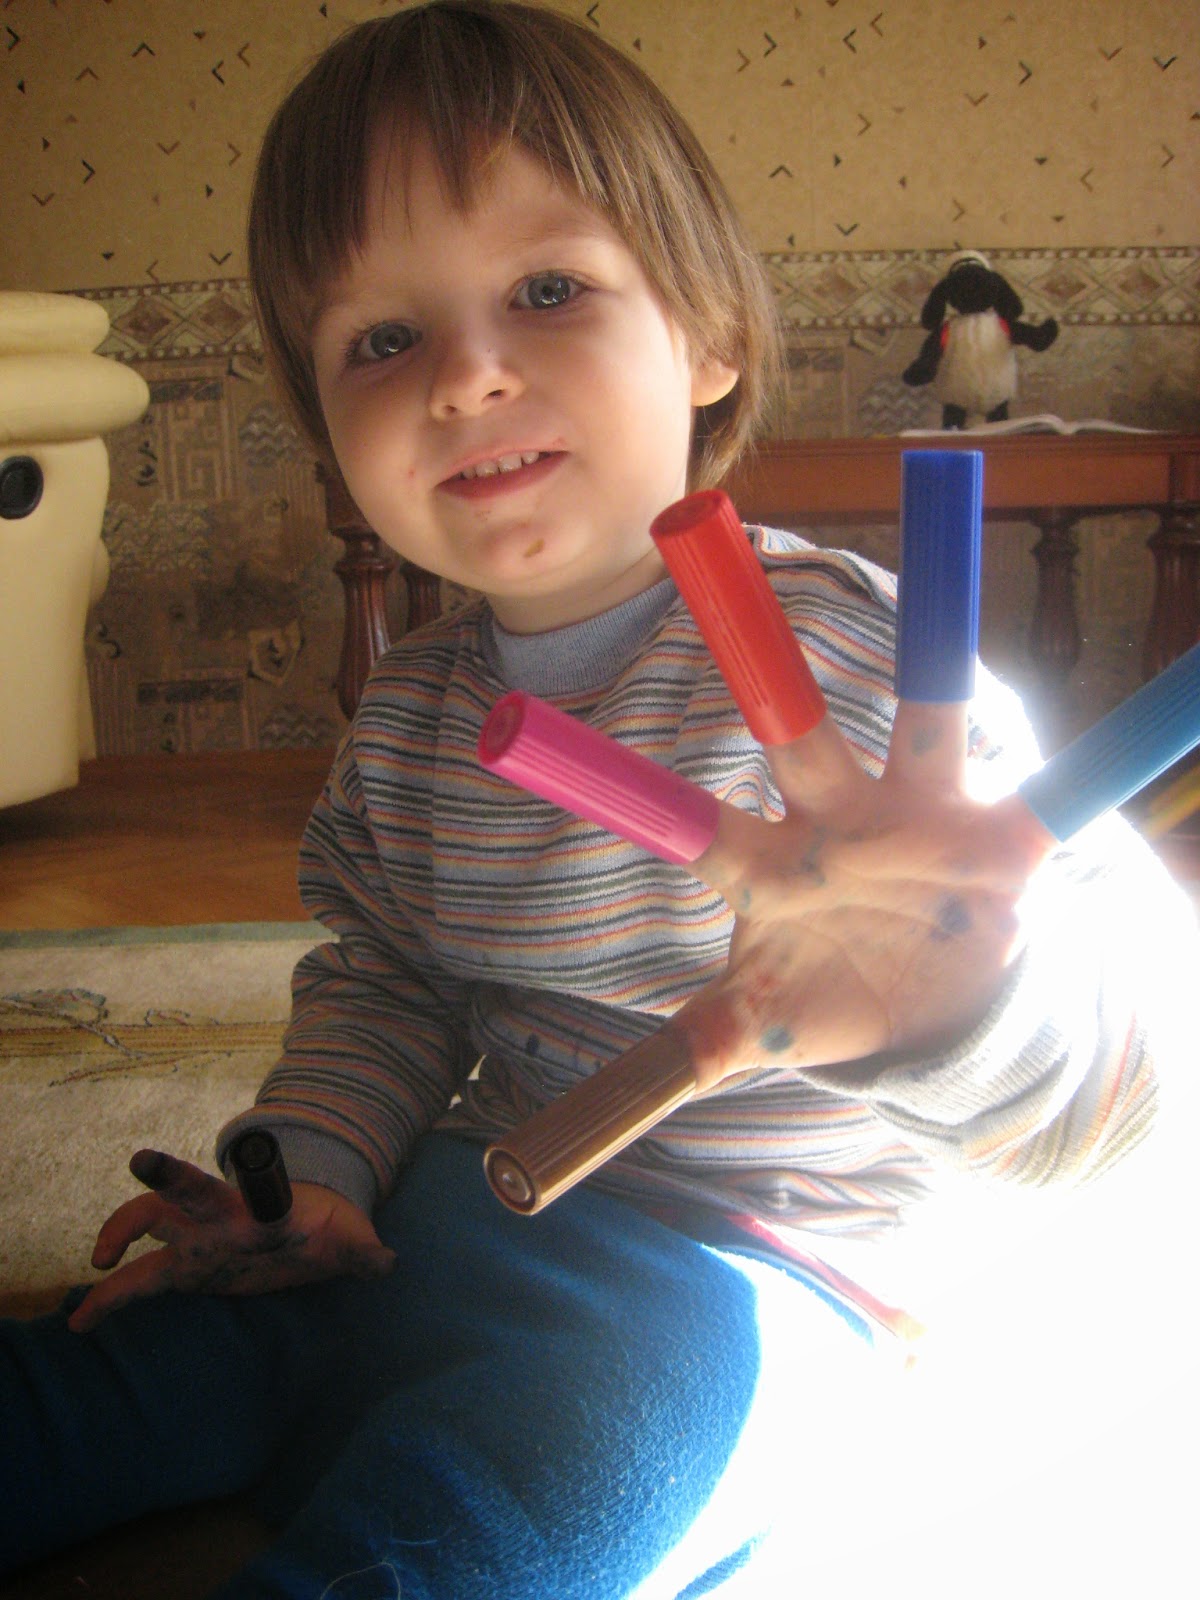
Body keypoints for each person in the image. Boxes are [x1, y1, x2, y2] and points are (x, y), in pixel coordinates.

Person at [2, 4, 1195, 1595]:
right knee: (112, 1373)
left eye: (548, 291)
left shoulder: (872, 682)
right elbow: (388, 981)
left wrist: (961, 1012)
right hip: (462, 1201)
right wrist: (317, 1174)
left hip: (761, 1270)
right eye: (381, 340)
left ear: (708, 339)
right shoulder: (411, 717)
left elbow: (1121, 1102)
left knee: (524, 1494)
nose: (466, 376)